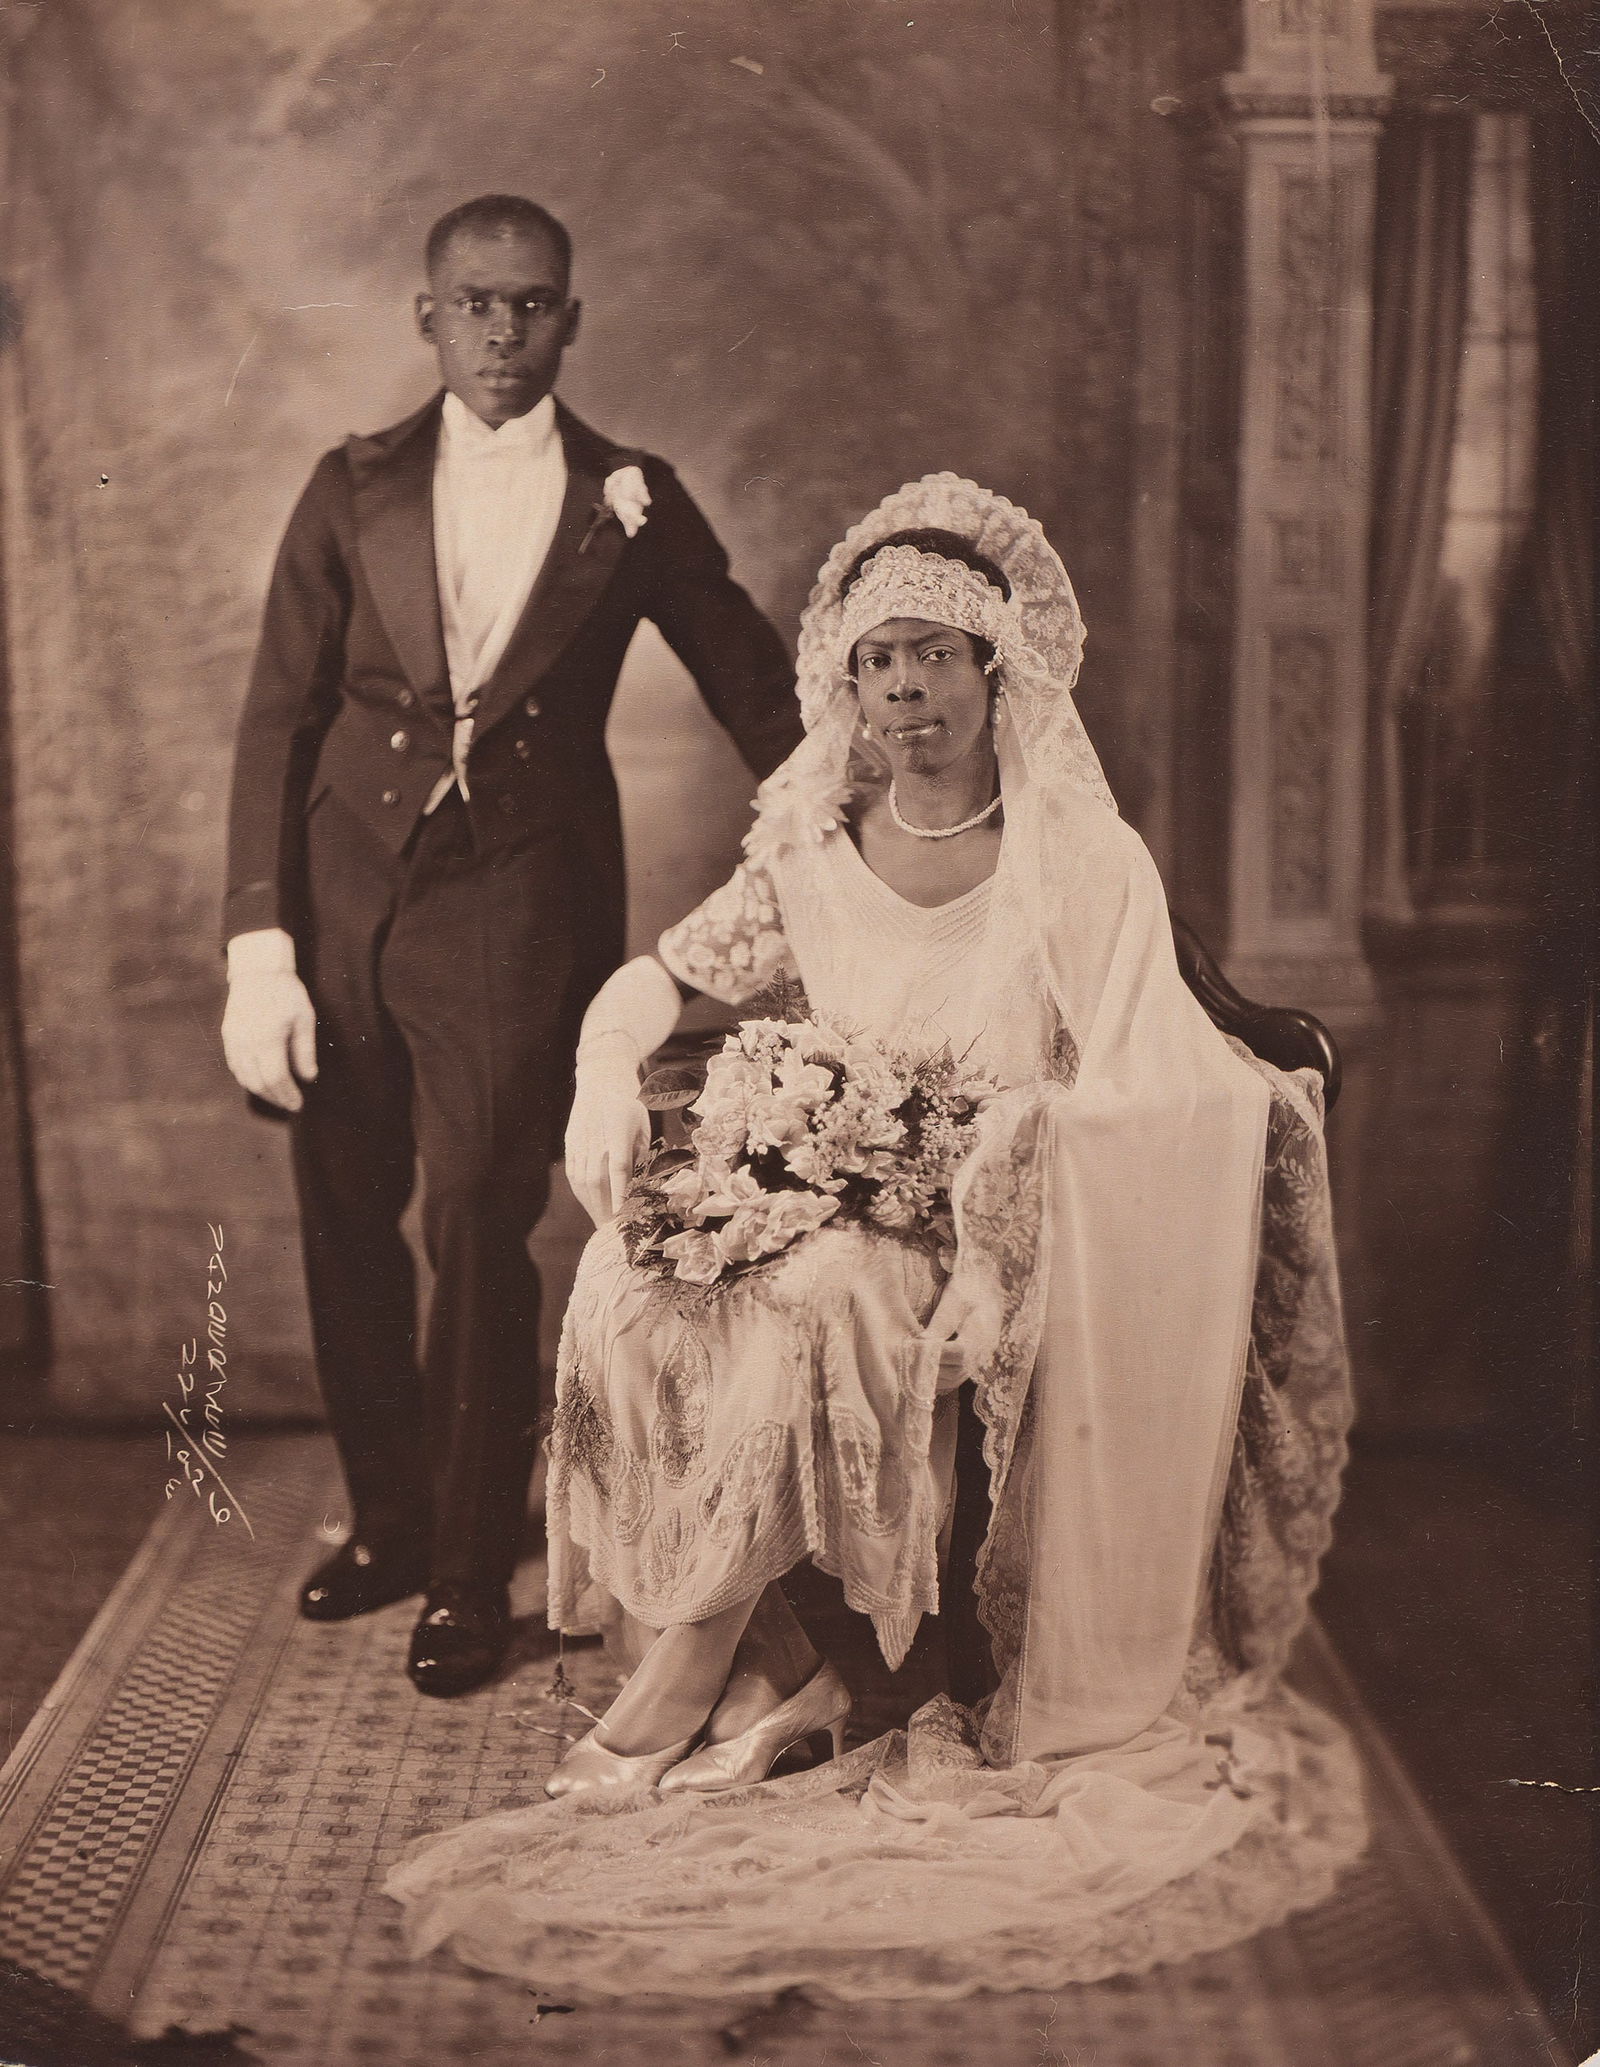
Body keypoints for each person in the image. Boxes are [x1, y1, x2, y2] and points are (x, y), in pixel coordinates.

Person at [384, 478, 1367, 1996]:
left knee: (821, 1296)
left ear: (997, 674)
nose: (908, 688)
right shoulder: (811, 852)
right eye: (878, 660)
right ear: (843, 686)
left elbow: (1142, 1087)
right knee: (625, 1279)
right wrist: (600, 1071)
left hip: (981, 1223)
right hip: (819, 1192)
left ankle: (687, 1678)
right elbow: (663, 979)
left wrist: (998, 1217)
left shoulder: (1082, 864)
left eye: (939, 656)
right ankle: (798, 1669)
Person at [220, 194, 801, 1698]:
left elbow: (753, 680)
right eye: (474, 303)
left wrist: (869, 808)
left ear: (571, 320)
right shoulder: (349, 488)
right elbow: (277, 725)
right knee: (348, 1211)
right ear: (428, 317)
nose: (500, 330)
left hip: (517, 903)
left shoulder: (635, 496)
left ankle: (473, 1572)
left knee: (479, 1215)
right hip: (346, 897)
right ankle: (397, 1525)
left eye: (531, 304)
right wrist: (258, 949)